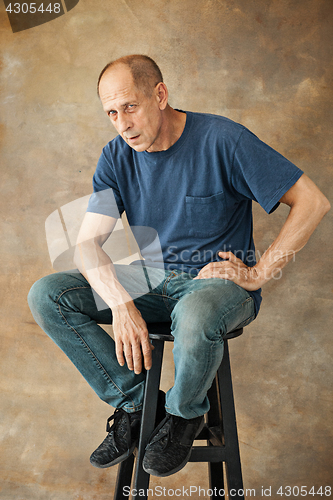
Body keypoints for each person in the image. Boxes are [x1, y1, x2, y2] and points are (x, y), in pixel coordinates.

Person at [28, 54, 330, 477]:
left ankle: (186, 414)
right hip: (153, 284)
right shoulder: (116, 156)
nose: (122, 123)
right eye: (111, 113)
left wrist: (258, 273)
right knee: (48, 294)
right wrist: (121, 305)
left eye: (130, 107)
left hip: (216, 289)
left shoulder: (224, 139)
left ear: (160, 95)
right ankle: (136, 406)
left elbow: (313, 202)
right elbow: (87, 246)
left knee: (196, 311)